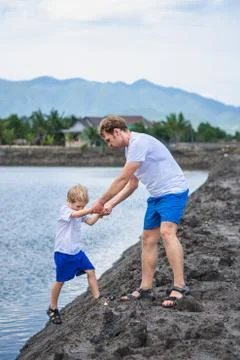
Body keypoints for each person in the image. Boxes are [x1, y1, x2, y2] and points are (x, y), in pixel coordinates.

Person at [92, 115, 190, 307]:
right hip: (157, 195)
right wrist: (111, 204)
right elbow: (132, 184)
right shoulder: (130, 150)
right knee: (147, 238)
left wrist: (100, 201)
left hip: (173, 191)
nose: (109, 145)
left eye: (108, 139)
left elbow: (121, 180)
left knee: (167, 232)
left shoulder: (139, 143)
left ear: (117, 132)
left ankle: (180, 287)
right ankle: (145, 289)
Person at [47, 184, 102, 324]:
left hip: (76, 251)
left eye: (83, 206)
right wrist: (90, 209)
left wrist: (99, 214)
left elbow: (89, 222)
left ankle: (98, 299)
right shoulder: (65, 210)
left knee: (91, 271)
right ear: (69, 201)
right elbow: (76, 214)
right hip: (63, 253)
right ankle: (52, 308)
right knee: (60, 281)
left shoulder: (80, 211)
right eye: (78, 206)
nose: (80, 209)